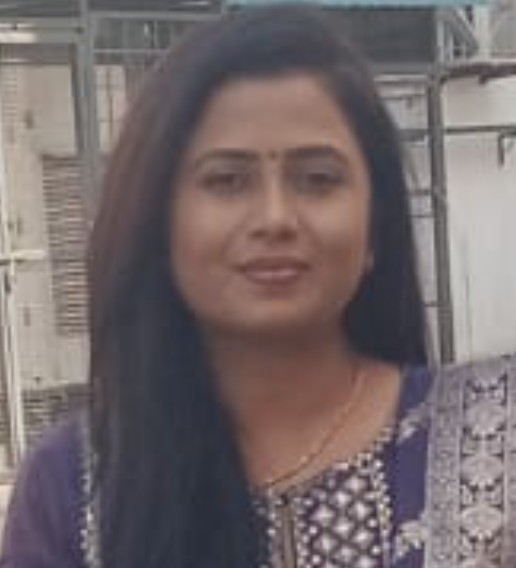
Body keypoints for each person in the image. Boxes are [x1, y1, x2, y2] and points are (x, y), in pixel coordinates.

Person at [2, 5, 516, 568]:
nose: (275, 218)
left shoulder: (498, 432)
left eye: (317, 179)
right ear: (158, 222)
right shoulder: (72, 488)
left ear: (376, 226)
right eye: (227, 181)